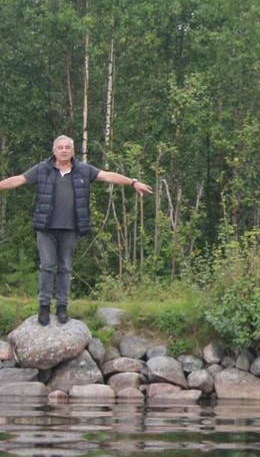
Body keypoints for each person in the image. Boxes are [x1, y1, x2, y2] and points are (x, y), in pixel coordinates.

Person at [0, 135, 153, 326]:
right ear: (54, 150)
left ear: (73, 151)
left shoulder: (83, 170)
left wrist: (133, 182)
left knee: (65, 267)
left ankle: (62, 307)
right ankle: (44, 306)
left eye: (67, 147)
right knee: (47, 266)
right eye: (60, 148)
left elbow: (107, 176)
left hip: (70, 229)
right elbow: (18, 180)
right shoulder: (42, 169)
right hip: (46, 228)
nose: (64, 150)